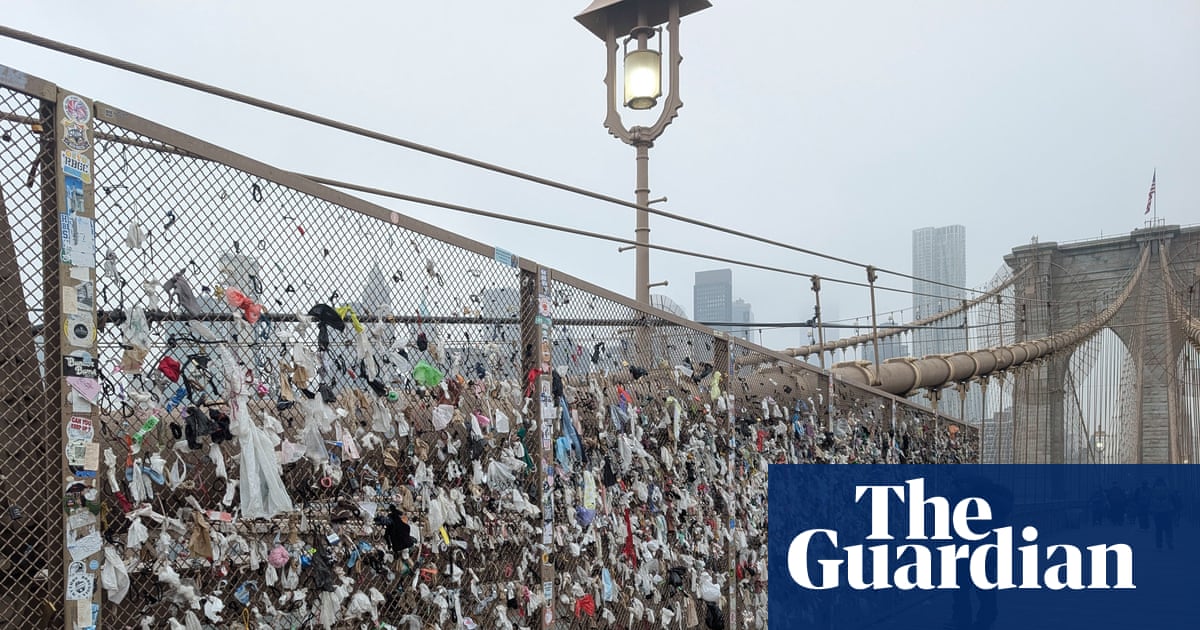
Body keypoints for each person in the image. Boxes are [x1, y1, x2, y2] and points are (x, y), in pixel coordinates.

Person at [1149, 477, 1175, 551]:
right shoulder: (1168, 490)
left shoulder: (1153, 491)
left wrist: (1151, 510)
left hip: (1157, 512)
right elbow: (1172, 499)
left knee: (1158, 529)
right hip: (1167, 511)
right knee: (1169, 528)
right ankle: (1169, 542)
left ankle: (1159, 545)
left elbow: (1150, 501)